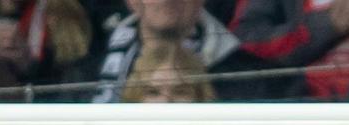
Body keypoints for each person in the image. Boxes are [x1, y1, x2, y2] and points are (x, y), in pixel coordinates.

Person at [92, 0, 275, 102]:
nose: (167, 1)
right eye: (154, 93)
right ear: (132, 2)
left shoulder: (257, 79)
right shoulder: (86, 70)